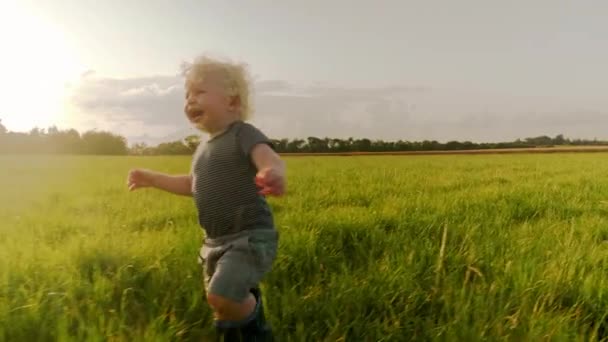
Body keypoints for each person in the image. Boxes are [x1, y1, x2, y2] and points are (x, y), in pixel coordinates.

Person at [127, 55, 286, 341]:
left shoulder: (242, 134)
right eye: (187, 95)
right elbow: (192, 184)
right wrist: (152, 178)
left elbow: (268, 157)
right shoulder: (202, 148)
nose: (190, 100)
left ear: (232, 102)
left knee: (222, 298)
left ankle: (259, 331)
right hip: (213, 244)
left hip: (248, 236)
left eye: (200, 92)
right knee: (224, 308)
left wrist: (271, 171)